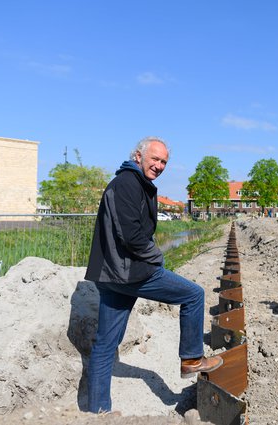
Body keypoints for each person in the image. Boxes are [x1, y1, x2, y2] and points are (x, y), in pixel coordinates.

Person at [85, 137, 223, 414]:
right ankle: (192, 359)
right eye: (155, 159)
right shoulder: (127, 183)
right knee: (193, 295)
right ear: (138, 156)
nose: (159, 166)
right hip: (129, 272)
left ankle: (97, 412)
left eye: (163, 162)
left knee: (105, 344)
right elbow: (131, 235)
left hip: (111, 274)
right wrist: (156, 257)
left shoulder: (133, 182)